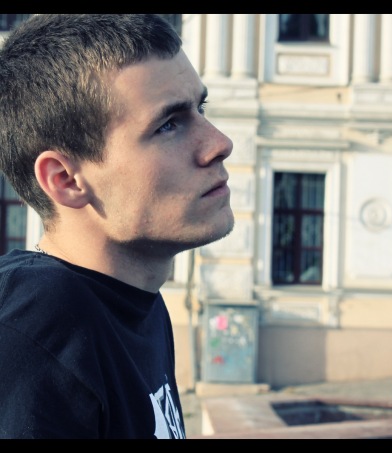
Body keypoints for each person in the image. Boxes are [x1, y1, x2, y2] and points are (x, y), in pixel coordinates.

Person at [0, 14, 234, 439]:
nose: (219, 144)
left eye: (200, 109)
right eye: (168, 125)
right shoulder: (38, 327)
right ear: (66, 180)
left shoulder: (138, 303)